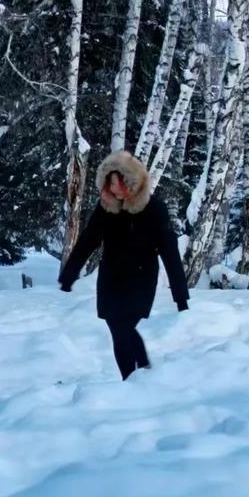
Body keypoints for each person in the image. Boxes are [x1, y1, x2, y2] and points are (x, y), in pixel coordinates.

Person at [58, 150, 189, 380]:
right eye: (108, 183)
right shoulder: (106, 208)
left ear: (130, 182)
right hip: (111, 278)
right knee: (117, 328)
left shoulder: (154, 209)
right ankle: (133, 378)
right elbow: (89, 239)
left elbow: (170, 252)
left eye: (116, 183)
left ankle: (138, 374)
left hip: (141, 279)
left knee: (123, 327)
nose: (112, 189)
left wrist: (180, 296)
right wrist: (70, 273)